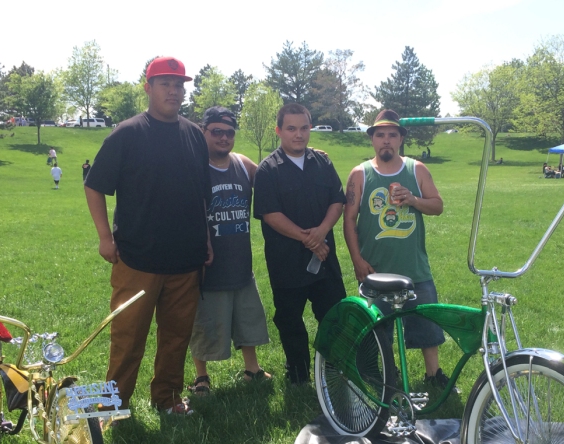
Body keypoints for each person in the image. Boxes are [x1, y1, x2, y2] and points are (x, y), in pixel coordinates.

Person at [84, 56, 212, 416]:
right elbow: (94, 186)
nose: (174, 90)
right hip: (137, 258)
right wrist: (104, 237)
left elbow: (202, 195)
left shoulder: (193, 135)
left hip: (186, 261)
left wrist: (206, 240)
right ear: (148, 88)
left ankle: (168, 398)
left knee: (175, 338)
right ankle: (114, 406)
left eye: (179, 85)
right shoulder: (127, 133)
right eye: (165, 84)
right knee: (127, 339)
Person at [342, 109, 452, 389]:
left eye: (392, 135)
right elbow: (349, 219)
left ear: (401, 138)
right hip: (376, 270)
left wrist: (414, 199)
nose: (386, 141)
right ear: (372, 140)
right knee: (378, 330)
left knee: (427, 324)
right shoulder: (360, 174)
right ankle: (388, 377)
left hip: (415, 268)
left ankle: (433, 375)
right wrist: (356, 260)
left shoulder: (416, 169)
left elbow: (437, 206)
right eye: (380, 135)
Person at [253, 103, 347, 385]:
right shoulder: (268, 170)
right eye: (291, 128)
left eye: (304, 128)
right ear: (279, 130)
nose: (298, 134)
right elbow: (271, 215)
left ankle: (334, 370)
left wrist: (322, 231)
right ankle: (298, 374)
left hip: (325, 259)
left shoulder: (323, 163)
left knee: (334, 317)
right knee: (290, 321)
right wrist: (310, 238)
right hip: (287, 262)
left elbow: (337, 200)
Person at [188, 107, 271, 395]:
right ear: (204, 132)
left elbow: (274, 180)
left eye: (229, 132)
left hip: (240, 260)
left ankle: (253, 369)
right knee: (204, 320)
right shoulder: (195, 167)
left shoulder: (243, 164)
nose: (224, 138)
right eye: (217, 132)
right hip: (207, 264)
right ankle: (201, 376)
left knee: (247, 316)